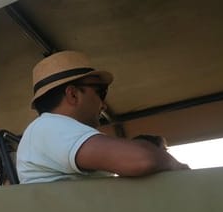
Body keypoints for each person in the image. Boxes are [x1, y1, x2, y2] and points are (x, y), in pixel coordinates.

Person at [16, 50, 188, 184]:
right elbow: (142, 159)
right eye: (101, 92)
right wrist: (177, 165)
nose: (104, 105)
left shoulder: (47, 132)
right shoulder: (49, 126)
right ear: (73, 94)